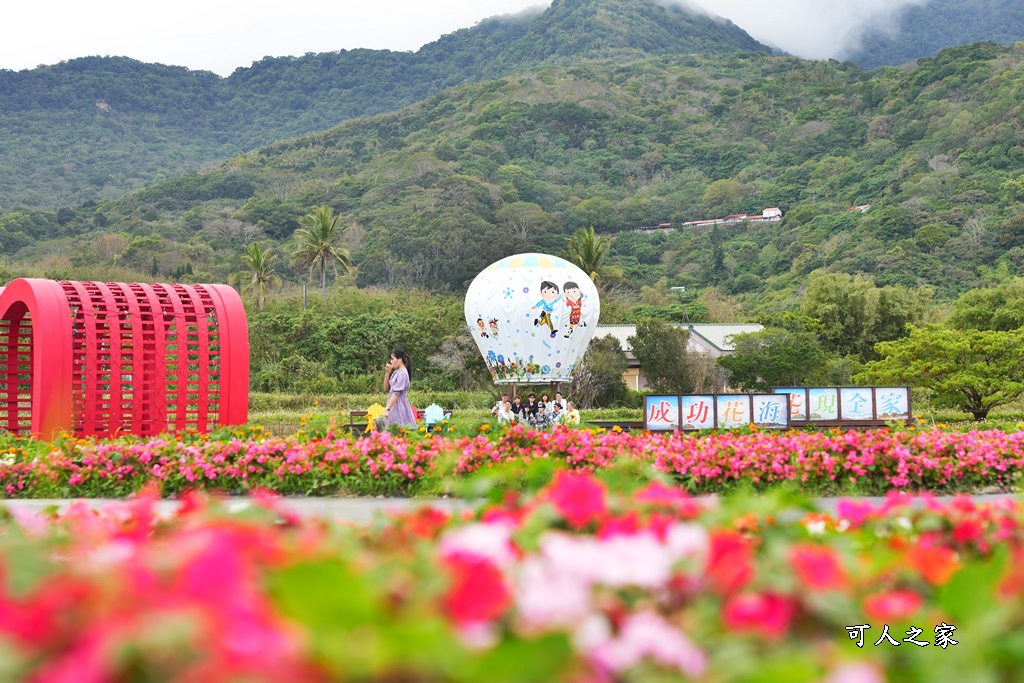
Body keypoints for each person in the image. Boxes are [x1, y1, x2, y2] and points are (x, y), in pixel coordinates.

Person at [382, 348, 417, 428]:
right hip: (393, 406)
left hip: (399, 407)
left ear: (400, 359)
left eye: (392, 359)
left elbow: (395, 394)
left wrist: (387, 409)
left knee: (398, 430)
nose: (391, 362)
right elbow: (386, 389)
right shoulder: (396, 372)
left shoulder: (402, 373)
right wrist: (387, 374)